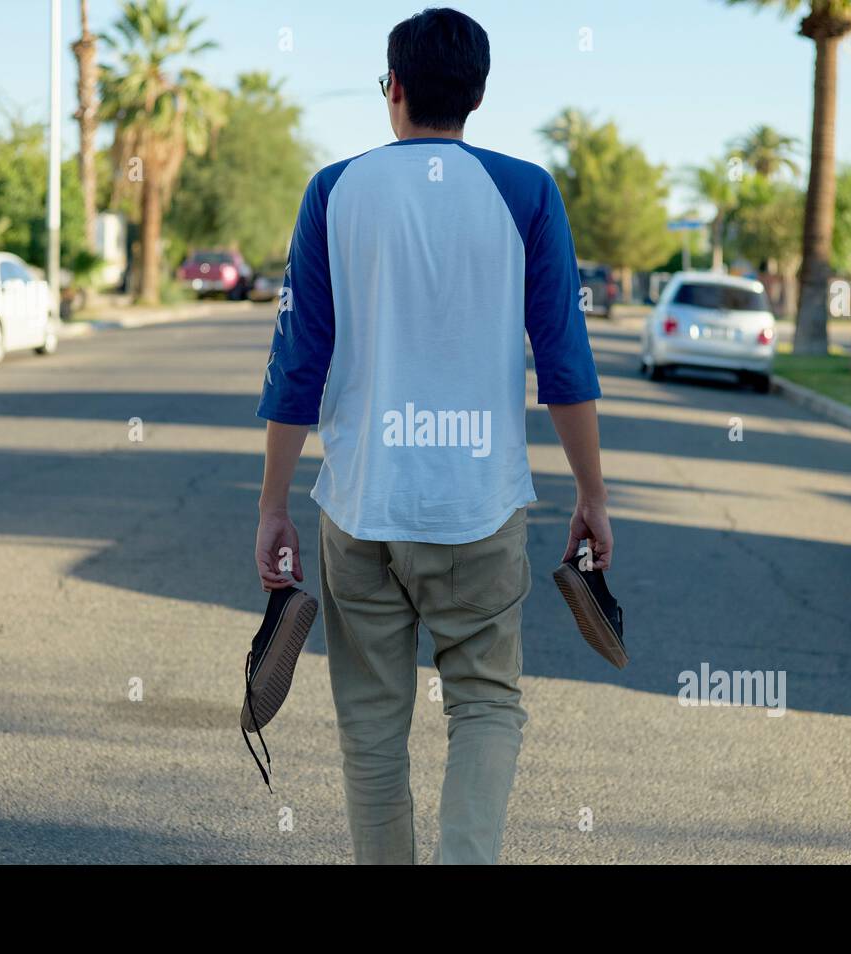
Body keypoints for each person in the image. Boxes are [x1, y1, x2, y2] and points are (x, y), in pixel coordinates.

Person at [253, 6, 612, 865]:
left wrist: (272, 506)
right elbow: (563, 359)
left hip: (360, 508)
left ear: (396, 90)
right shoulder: (526, 191)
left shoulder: (334, 190)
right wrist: (592, 497)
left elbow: (298, 362)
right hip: (481, 512)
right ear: (477, 96)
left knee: (372, 729)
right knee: (486, 704)